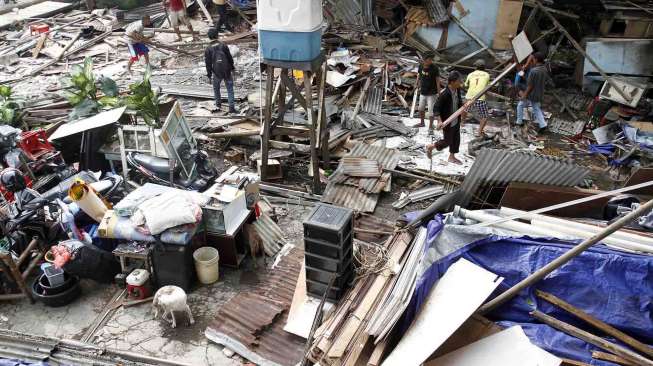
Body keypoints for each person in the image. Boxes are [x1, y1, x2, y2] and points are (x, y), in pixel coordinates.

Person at [426, 71, 464, 165]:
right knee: (447, 141)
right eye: (459, 81)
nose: (460, 83)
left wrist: (463, 109)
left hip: (456, 120)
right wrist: (439, 121)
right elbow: (436, 108)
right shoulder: (444, 94)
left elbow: (459, 102)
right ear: (452, 82)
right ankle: (431, 146)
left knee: (456, 139)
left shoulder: (457, 90)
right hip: (447, 121)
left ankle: (452, 157)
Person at [516, 52, 550, 134]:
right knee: (536, 108)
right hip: (540, 92)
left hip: (532, 93)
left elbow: (530, 86)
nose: (532, 60)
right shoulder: (544, 69)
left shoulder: (534, 71)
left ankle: (519, 122)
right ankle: (543, 125)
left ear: (536, 60)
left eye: (533, 59)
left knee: (520, 105)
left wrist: (524, 95)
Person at [205, 28, 236, 114]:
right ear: (217, 35)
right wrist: (232, 68)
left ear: (209, 37)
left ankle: (218, 104)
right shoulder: (223, 45)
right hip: (227, 71)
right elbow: (229, 58)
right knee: (230, 89)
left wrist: (209, 75)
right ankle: (231, 108)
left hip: (216, 72)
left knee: (216, 88)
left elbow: (208, 63)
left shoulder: (208, 49)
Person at [464, 59, 491, 136]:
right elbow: (488, 86)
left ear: (476, 67)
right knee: (485, 116)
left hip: (470, 97)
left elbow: (465, 85)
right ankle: (479, 132)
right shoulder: (487, 75)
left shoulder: (470, 74)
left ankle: (462, 122)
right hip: (480, 98)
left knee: (464, 110)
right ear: (484, 67)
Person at [417, 52, 441, 131]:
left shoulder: (434, 68)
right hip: (423, 92)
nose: (431, 61)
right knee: (420, 108)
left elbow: (437, 81)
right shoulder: (420, 66)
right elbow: (419, 76)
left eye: (431, 60)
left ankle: (431, 126)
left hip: (432, 93)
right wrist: (417, 84)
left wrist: (439, 93)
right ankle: (422, 123)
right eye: (429, 60)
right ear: (424, 60)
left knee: (431, 111)